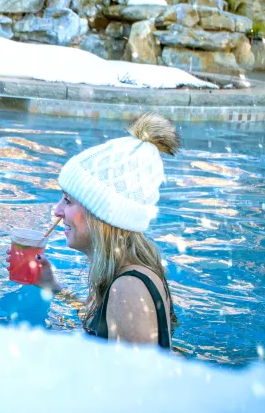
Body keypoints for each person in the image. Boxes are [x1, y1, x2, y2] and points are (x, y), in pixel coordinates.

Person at [20, 112, 179, 348]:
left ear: (102, 215)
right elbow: (100, 324)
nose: (56, 210)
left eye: (67, 200)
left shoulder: (128, 289)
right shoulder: (122, 274)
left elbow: (137, 383)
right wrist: (53, 288)